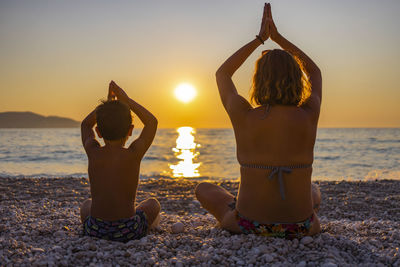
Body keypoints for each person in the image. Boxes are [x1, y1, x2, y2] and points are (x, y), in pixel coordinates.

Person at [195, 3, 322, 239]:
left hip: (247, 224)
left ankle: (247, 202)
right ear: (297, 80)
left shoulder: (243, 114)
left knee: (203, 189)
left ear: (258, 80)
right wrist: (279, 38)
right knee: (314, 192)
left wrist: (260, 39)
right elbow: (314, 72)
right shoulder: (308, 113)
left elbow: (222, 73)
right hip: (302, 226)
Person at [80, 80, 160, 242]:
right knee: (153, 204)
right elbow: (152, 122)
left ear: (99, 132)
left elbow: (85, 125)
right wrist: (127, 101)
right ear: (130, 130)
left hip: (95, 229)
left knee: (87, 204)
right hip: (128, 230)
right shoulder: (134, 153)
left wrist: (107, 106)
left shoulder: (93, 151)